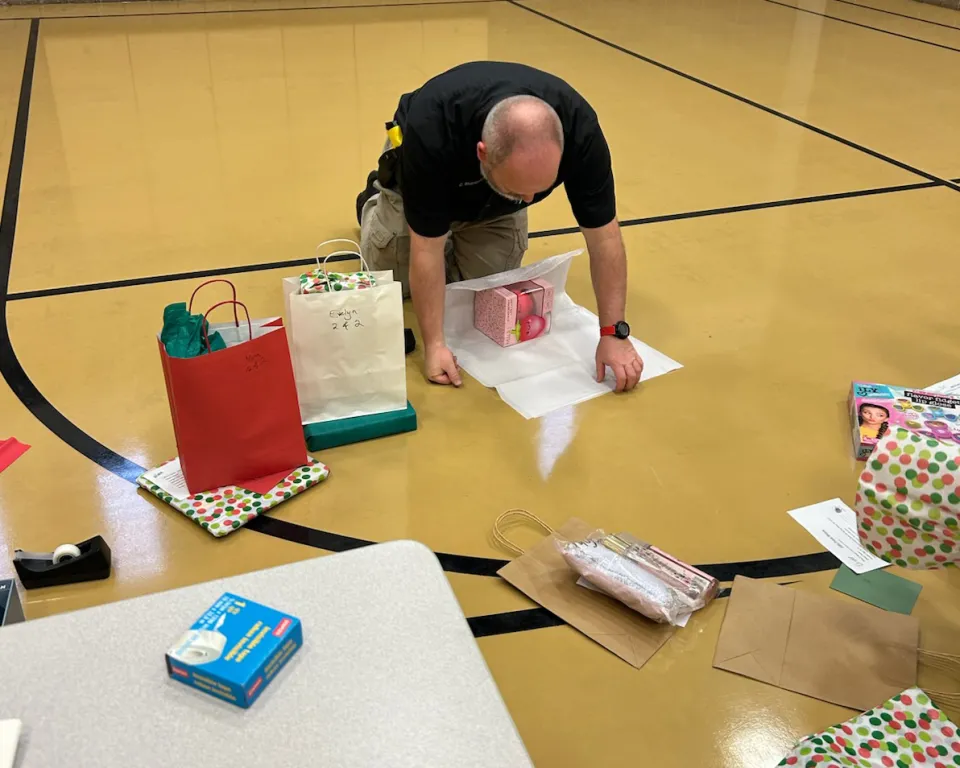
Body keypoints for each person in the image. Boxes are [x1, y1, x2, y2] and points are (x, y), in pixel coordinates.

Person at [356, 61, 643, 393]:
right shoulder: (432, 127)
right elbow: (427, 248)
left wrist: (614, 333)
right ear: (483, 153)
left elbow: (605, 237)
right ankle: (373, 201)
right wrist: (434, 346)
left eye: (540, 189)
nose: (531, 198)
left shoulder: (581, 132)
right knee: (392, 282)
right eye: (520, 188)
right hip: (425, 174)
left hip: (494, 203)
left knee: (484, 290)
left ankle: (473, 215)